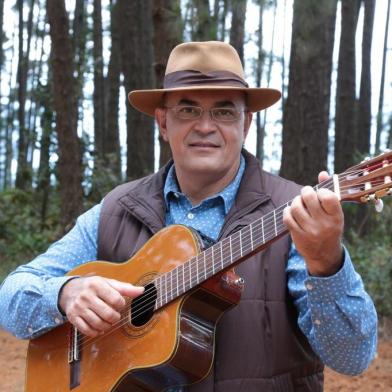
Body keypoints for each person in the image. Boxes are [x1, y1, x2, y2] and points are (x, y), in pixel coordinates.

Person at [0, 41, 377, 391]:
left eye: (224, 111)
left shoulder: (294, 213)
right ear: (164, 123)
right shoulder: (116, 210)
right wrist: (66, 293)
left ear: (245, 125)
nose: (205, 125)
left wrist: (326, 262)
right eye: (188, 109)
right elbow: (12, 297)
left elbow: (353, 359)